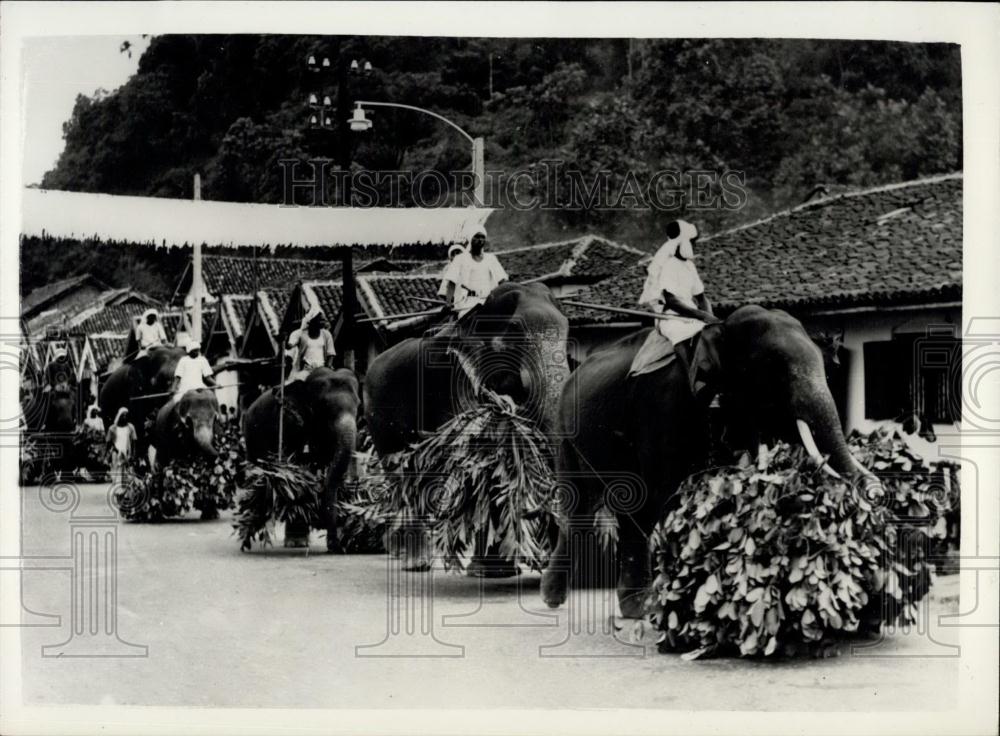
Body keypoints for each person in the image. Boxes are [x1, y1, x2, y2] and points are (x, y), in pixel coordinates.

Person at [629, 219, 719, 390]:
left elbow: (701, 297)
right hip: (671, 317)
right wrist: (702, 315)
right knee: (682, 333)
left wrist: (711, 317)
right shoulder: (669, 265)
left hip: (692, 314)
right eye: (692, 243)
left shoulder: (689, 266)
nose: (694, 246)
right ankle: (691, 380)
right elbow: (672, 301)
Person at [442, 226, 508, 318]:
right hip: (468, 303)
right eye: (476, 237)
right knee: (468, 320)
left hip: (490, 301)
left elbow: (502, 281)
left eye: (482, 237)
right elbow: (451, 282)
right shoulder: (460, 259)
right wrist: (448, 303)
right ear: (470, 238)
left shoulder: (491, 258)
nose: (480, 240)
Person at [286, 305, 336, 382]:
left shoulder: (326, 334)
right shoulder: (302, 334)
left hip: (322, 369)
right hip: (306, 370)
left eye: (323, 320)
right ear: (312, 321)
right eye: (320, 320)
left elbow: (331, 353)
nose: (323, 322)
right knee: (298, 383)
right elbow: (289, 345)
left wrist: (328, 368)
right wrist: (286, 340)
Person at [172, 335, 216, 401]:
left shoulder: (203, 360)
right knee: (175, 400)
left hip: (200, 386)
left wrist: (216, 384)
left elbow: (208, 377)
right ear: (190, 351)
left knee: (212, 398)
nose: (197, 353)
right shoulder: (183, 360)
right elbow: (178, 376)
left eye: (198, 350)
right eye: (195, 351)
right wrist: (173, 388)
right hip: (185, 387)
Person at [106, 407, 137, 485]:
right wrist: (110, 453)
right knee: (116, 473)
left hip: (127, 452)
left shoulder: (130, 427)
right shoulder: (112, 428)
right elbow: (109, 442)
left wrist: (133, 454)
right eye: (123, 415)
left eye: (126, 415)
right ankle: (117, 491)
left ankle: (125, 493)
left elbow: (133, 441)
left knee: (127, 473)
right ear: (119, 416)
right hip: (116, 453)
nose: (124, 417)